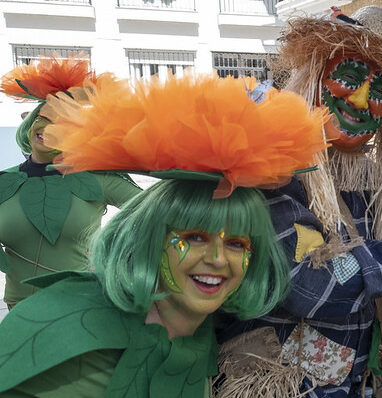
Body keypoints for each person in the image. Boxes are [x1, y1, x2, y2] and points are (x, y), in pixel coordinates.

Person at [0, 72, 327, 396]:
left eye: (236, 243)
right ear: (150, 238)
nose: (217, 259)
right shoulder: (78, 343)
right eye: (196, 237)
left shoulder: (199, 333)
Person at [215, 7, 382, 398]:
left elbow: (375, 292)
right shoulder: (268, 164)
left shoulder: (367, 183)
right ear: (316, 71)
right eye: (351, 75)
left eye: (380, 91)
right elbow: (308, 285)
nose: (360, 100)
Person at [0, 56, 141, 309]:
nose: (50, 129)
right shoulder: (5, 182)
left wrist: (117, 256)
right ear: (31, 123)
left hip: (80, 306)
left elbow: (155, 210)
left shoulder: (95, 177)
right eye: (44, 118)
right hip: (18, 308)